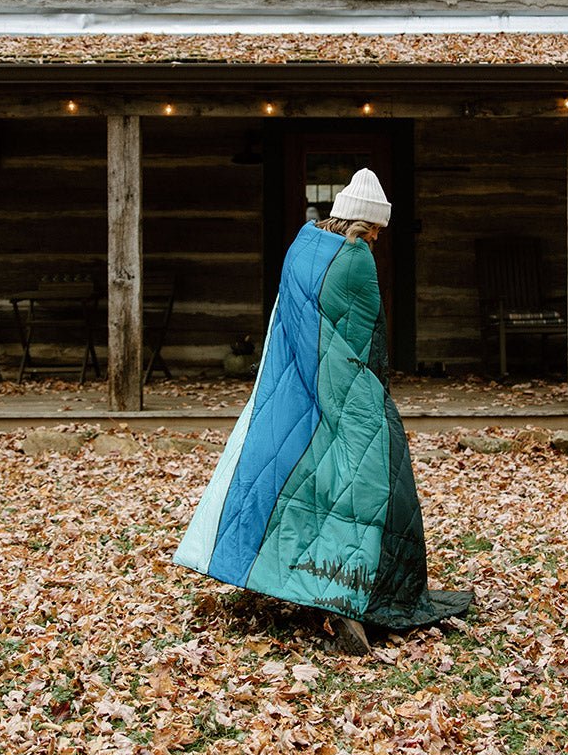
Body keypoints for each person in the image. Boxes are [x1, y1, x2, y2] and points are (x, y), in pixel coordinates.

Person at [174, 168, 472, 654]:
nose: (376, 238)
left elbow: (293, 320)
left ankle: (305, 583)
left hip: (298, 384)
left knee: (307, 479)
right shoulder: (355, 261)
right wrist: (367, 392)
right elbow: (366, 335)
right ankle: (351, 598)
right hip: (347, 389)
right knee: (373, 483)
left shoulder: (301, 247)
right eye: (373, 229)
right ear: (357, 222)